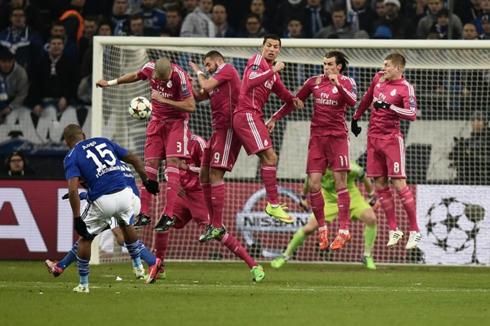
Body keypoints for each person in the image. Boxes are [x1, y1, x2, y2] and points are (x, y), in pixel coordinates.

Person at [267, 51, 357, 251]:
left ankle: (343, 230)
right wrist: (275, 117)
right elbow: (295, 101)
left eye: (330, 64)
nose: (326, 67)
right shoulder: (313, 82)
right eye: (324, 64)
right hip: (317, 139)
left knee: (340, 181)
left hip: (338, 138)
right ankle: (322, 228)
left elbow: (352, 102)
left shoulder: (347, 82)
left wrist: (338, 84)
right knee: (314, 184)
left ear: (339, 66)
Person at [95, 57, 195, 233]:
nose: (163, 82)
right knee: (150, 165)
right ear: (154, 72)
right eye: (160, 79)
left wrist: (163, 101)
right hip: (157, 122)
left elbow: (191, 106)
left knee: (172, 162)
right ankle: (144, 213)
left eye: (166, 80)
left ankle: (168, 214)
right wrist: (109, 83)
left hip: (176, 123)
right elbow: (135, 75)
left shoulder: (179, 76)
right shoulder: (149, 68)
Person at [149, 133, 265, 282]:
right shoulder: (171, 143)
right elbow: (167, 167)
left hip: (200, 195)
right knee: (164, 223)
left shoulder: (198, 143)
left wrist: (188, 167)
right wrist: (171, 180)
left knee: (218, 233)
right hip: (182, 194)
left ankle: (254, 266)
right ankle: (159, 267)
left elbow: (210, 170)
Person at [62, 124, 162, 293]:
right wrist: (147, 181)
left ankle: (83, 284)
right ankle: (139, 267)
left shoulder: (71, 156)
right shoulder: (104, 141)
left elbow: (72, 190)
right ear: (84, 135)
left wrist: (77, 218)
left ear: (66, 142)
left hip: (104, 200)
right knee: (125, 225)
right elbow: (136, 159)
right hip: (125, 195)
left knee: (85, 238)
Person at [351, 53, 422, 250]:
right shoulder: (378, 78)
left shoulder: (406, 87)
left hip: (392, 140)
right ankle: (394, 229)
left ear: (399, 68)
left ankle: (415, 230)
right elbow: (367, 98)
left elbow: (412, 114)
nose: (384, 68)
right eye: (383, 64)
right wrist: (356, 117)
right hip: (373, 139)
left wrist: (390, 107)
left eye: (388, 65)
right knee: (380, 184)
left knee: (399, 183)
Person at [233, 34, 304, 224]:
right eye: (269, 45)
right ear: (262, 47)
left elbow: (287, 98)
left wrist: (287, 106)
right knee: (271, 157)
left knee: (269, 158)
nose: (272, 49)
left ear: (280, 50)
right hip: (246, 114)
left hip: (254, 117)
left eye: (276, 47)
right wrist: (273, 69)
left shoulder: (274, 76)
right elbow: (249, 82)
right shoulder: (257, 61)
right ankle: (272, 204)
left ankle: (273, 204)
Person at [45, 162, 159, 280]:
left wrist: (83, 195)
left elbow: (102, 188)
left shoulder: (100, 165)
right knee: (93, 236)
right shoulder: (120, 162)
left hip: (116, 201)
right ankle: (60, 266)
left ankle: (151, 261)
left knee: (109, 236)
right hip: (133, 201)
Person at [271, 161, 379, 270]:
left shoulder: (347, 165)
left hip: (351, 196)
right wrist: (303, 197)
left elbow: (364, 176)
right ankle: (285, 255)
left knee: (371, 218)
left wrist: (370, 195)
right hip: (328, 200)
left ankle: (367, 255)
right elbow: (309, 181)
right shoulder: (317, 167)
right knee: (309, 229)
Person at [188, 51, 241, 242]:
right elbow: (201, 96)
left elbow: (206, 84)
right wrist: (190, 84)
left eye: (209, 64)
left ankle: (217, 224)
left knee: (216, 174)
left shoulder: (227, 69)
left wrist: (199, 72)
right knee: (203, 174)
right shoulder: (216, 80)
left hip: (229, 128)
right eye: (206, 66)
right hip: (217, 131)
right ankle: (213, 223)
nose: (208, 68)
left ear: (218, 61)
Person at [447, 111, 490, 185]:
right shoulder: (469, 140)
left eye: (479, 120)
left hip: (482, 177)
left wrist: (469, 154)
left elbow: (483, 158)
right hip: (466, 178)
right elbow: (454, 155)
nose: (475, 122)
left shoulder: (487, 138)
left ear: (484, 122)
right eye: (473, 120)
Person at [0, 48, 28, 124]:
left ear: (13, 61)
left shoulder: (21, 73)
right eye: (4, 62)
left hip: (14, 102)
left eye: (9, 62)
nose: (7, 65)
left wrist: (10, 107)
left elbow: (22, 94)